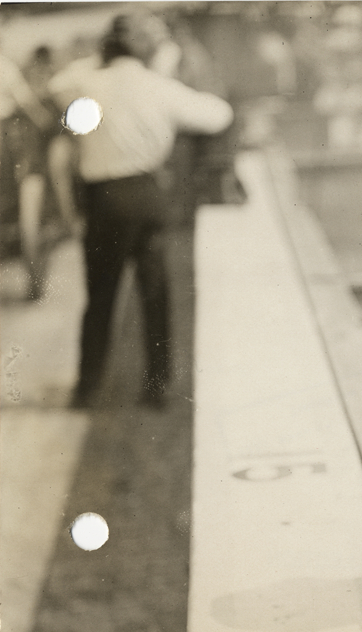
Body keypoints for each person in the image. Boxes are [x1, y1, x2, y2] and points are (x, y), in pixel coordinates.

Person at [51, 12, 233, 409]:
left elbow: (56, 84)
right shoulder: (159, 87)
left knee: (101, 295)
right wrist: (164, 69)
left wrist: (99, 59)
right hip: (147, 195)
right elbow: (219, 115)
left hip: (105, 198)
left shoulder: (87, 83)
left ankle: (87, 389)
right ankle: (156, 388)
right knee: (155, 293)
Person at [0, 49, 55, 299]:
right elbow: (29, 104)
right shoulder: (5, 65)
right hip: (8, 141)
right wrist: (46, 122)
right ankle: (35, 281)